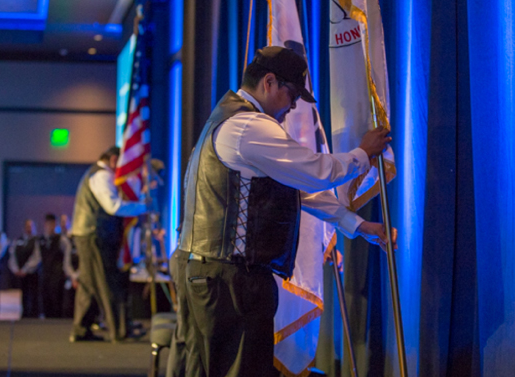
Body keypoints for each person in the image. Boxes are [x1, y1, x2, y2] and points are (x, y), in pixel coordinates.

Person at [177, 46, 397, 376]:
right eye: (291, 94)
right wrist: (362, 154)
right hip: (230, 278)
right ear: (269, 82)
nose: (293, 106)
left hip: (208, 271)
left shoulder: (225, 120)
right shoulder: (248, 126)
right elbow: (315, 171)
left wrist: (360, 225)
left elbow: (297, 191)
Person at [69, 146, 147, 342]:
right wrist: (142, 207)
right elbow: (113, 206)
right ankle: (118, 331)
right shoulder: (102, 175)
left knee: (88, 284)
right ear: (113, 160)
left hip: (88, 234)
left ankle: (80, 329)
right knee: (106, 283)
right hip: (96, 235)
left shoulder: (94, 173)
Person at [8, 219, 41, 318]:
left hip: (32, 273)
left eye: (31, 226)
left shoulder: (37, 241)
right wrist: (16, 269)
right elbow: (12, 256)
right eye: (27, 226)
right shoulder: (18, 240)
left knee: (34, 294)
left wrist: (25, 269)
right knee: (24, 294)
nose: (29, 229)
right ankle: (24, 314)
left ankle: (35, 315)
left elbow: (36, 257)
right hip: (20, 273)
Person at [38, 213, 65, 318]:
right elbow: (37, 258)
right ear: (45, 224)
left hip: (57, 276)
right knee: (45, 300)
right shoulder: (40, 240)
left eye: (52, 224)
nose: (50, 226)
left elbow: (66, 258)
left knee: (57, 301)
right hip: (45, 274)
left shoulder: (61, 240)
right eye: (48, 224)